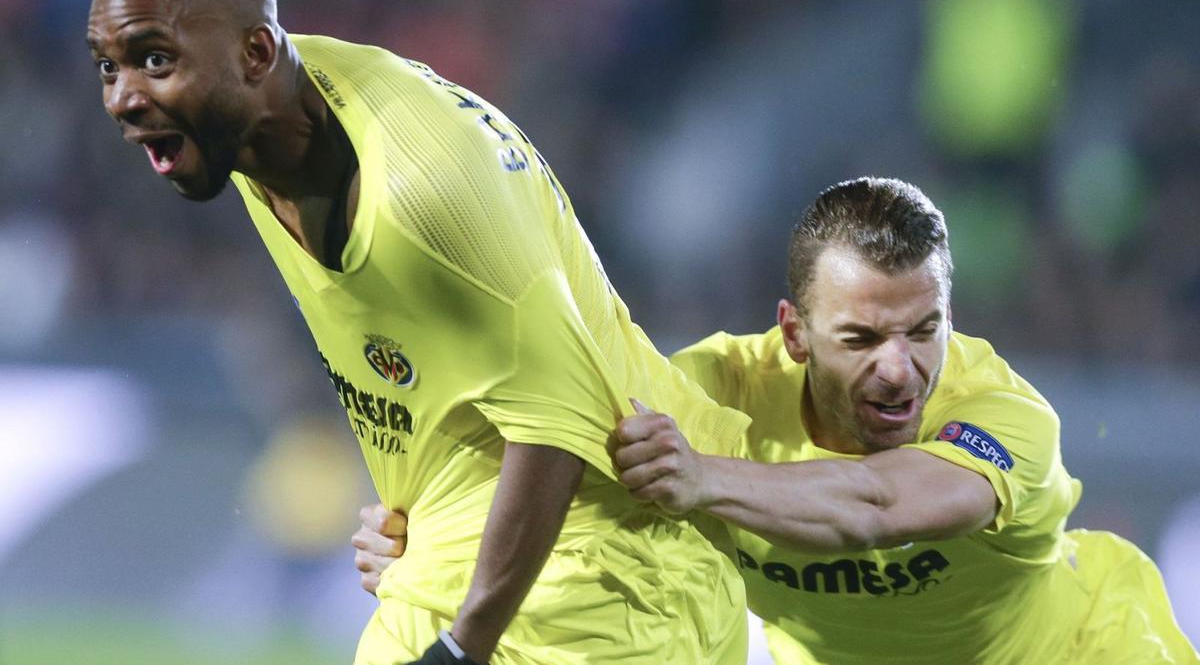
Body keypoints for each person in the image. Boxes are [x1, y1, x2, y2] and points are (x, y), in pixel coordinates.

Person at [85, 0, 753, 663]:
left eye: (154, 59)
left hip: (614, 586)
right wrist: (424, 517)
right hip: (475, 564)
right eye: (108, 67)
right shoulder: (260, 129)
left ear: (255, 54)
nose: (123, 97)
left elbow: (561, 423)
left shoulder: (423, 188)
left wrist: (465, 645)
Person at [356, 178, 1199, 663]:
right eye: (862, 338)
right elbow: (563, 464)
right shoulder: (713, 395)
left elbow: (879, 507)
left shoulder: (1005, 416)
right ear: (794, 332)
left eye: (923, 329)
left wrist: (704, 478)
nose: (900, 367)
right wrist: (428, 542)